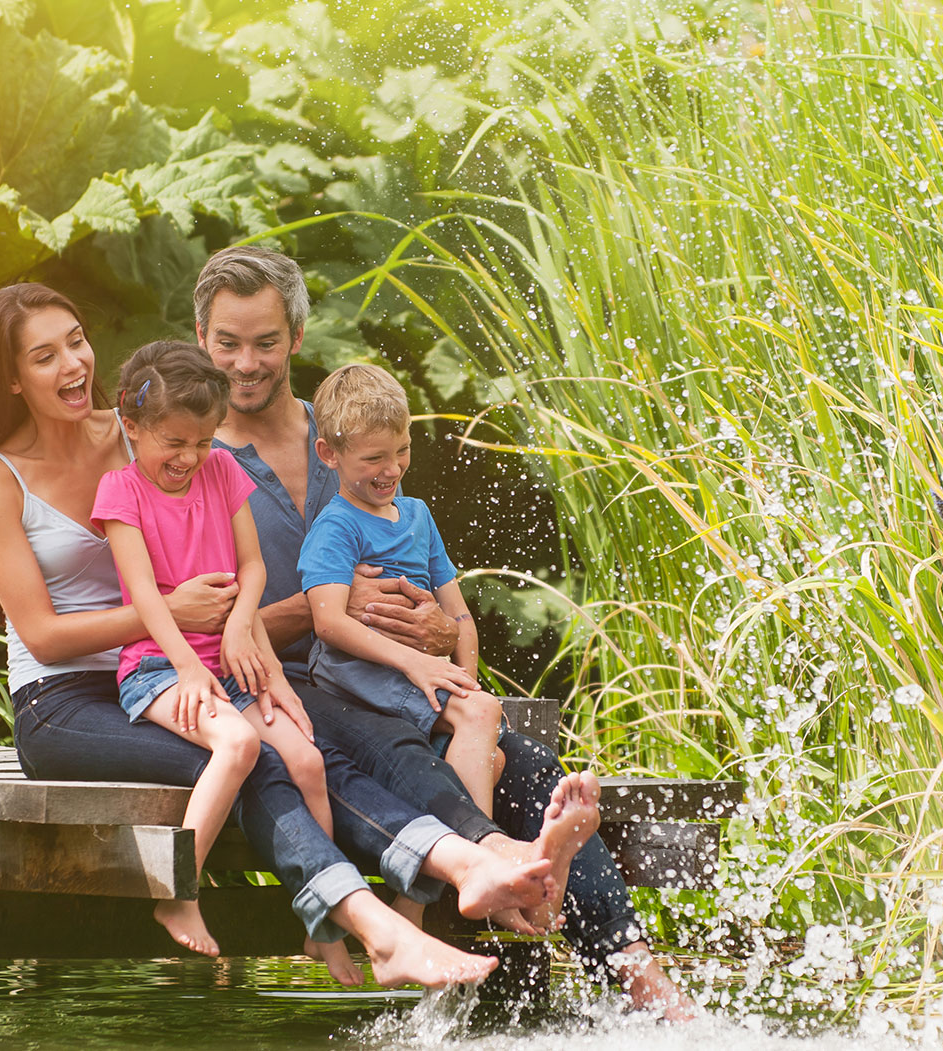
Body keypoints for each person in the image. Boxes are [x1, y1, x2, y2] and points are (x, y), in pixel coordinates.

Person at [0, 283, 595, 990]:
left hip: (194, 663)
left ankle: (479, 856)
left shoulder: (145, 425)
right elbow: (42, 636)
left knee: (317, 743)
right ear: (11, 377)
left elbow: (228, 535)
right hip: (67, 701)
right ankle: (381, 928)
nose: (73, 363)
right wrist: (178, 613)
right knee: (256, 756)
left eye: (76, 340)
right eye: (44, 356)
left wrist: (258, 643)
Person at [195, 246, 698, 1019]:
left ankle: (646, 985)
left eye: (265, 341)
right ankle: (498, 877)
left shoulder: (353, 427)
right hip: (281, 690)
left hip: (387, 675)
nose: (246, 363)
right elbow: (201, 625)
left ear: (296, 335)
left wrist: (435, 626)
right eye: (228, 343)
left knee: (527, 763)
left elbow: (416, 571)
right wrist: (323, 608)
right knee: (407, 754)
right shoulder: (192, 462)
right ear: (201, 338)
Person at [92, 339, 330, 958]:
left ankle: (322, 915)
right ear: (132, 425)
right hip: (158, 667)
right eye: (174, 441)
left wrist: (238, 626)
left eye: (202, 441)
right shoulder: (121, 492)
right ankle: (177, 891)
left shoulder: (222, 470)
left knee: (307, 762)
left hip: (226, 661)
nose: (189, 457)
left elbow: (252, 568)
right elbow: (147, 598)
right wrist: (188, 667)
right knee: (240, 743)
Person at [302, 363, 504, 815]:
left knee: (492, 754)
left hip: (414, 672)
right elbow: (328, 623)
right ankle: (482, 847)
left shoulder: (418, 516)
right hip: (359, 674)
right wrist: (418, 664)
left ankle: (442, 855)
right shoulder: (337, 526)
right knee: (481, 714)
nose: (392, 469)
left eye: (403, 450)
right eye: (373, 458)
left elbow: (459, 615)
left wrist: (466, 679)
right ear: (329, 454)